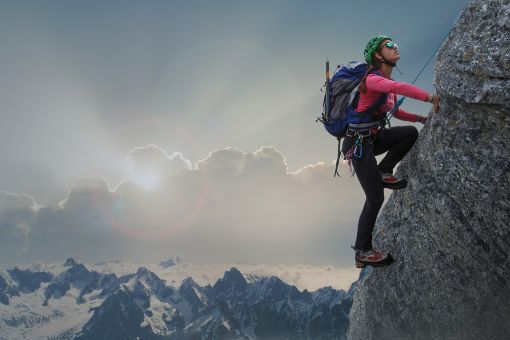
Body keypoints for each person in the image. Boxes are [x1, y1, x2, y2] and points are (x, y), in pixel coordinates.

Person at [344, 35, 440, 268]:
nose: (395, 47)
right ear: (378, 56)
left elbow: (395, 113)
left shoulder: (386, 83)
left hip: (372, 138)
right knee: (375, 196)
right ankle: (363, 251)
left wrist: (419, 118)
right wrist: (429, 98)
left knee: (409, 133)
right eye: (389, 46)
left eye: (394, 43)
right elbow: (397, 87)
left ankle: (384, 170)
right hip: (358, 146)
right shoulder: (373, 80)